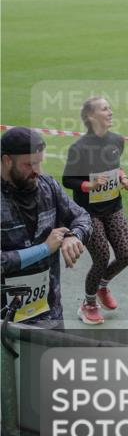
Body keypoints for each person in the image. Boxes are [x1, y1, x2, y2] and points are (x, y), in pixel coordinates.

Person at [1, 127, 90, 329]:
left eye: (39, 162)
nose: (37, 170)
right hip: (5, 323)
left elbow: (82, 217)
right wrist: (44, 249)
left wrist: (73, 235)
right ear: (7, 160)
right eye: (29, 164)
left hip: (49, 314)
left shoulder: (47, 187)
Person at [62, 97, 128, 325]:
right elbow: (67, 179)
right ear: (91, 116)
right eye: (105, 109)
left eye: (110, 108)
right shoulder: (79, 148)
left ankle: (102, 285)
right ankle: (88, 303)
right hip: (88, 212)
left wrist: (122, 177)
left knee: (126, 254)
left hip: (113, 206)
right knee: (101, 258)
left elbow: (116, 164)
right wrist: (88, 186)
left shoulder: (117, 140)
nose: (110, 112)